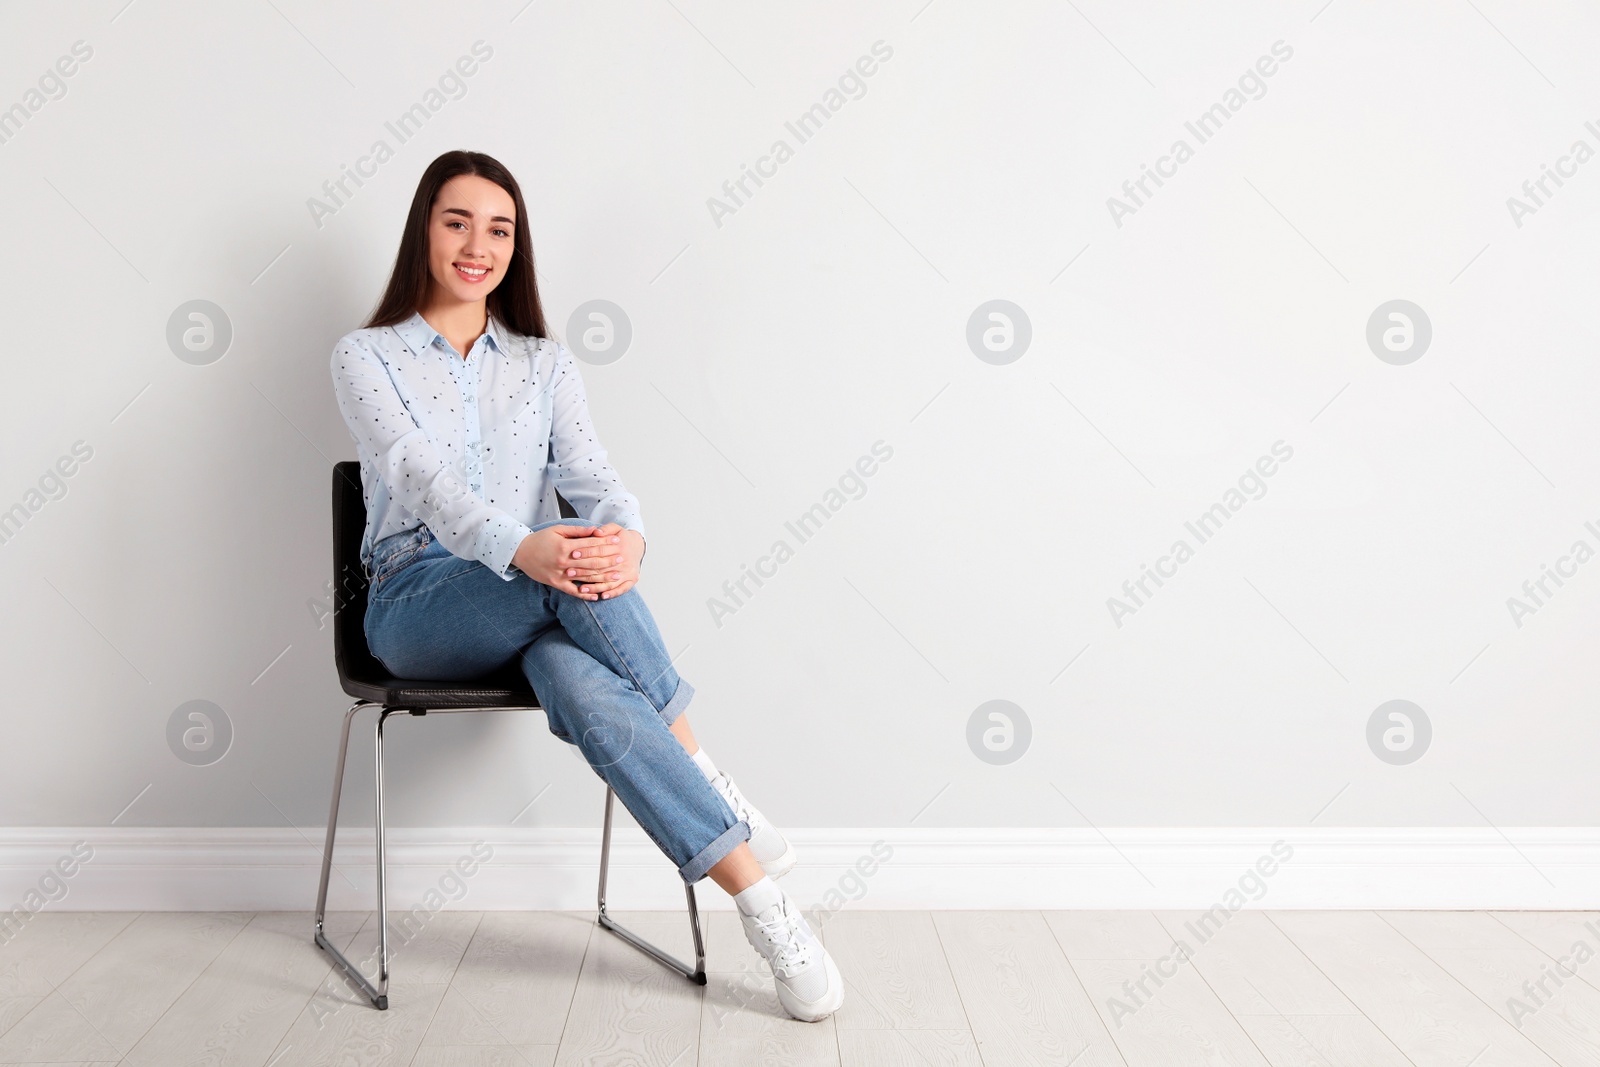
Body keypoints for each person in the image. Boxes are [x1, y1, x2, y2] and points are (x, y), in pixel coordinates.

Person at [328, 150, 843, 1022]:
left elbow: (596, 476)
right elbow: (420, 477)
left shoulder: (544, 364)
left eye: (499, 228)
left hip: (545, 594)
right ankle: (709, 774)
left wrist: (630, 539)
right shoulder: (365, 355)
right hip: (415, 601)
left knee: (583, 682)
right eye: (457, 221)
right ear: (424, 227)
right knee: (565, 557)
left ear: (515, 246)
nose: (477, 245)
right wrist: (526, 547)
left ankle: (764, 904)